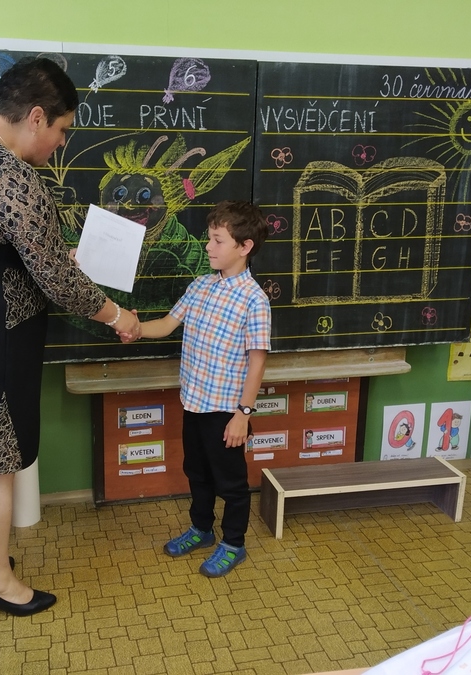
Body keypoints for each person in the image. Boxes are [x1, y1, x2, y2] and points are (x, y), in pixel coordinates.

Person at [0, 57, 140, 618]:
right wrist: (117, 316)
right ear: (36, 117)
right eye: (62, 130)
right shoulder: (8, 175)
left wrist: (51, 256)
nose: (61, 144)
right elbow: (58, 281)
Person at [121, 200, 271, 577]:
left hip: (226, 411)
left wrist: (243, 415)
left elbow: (257, 362)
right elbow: (167, 324)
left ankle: (233, 543)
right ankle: (201, 529)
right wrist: (136, 328)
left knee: (231, 483)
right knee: (197, 473)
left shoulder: (254, 299)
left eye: (218, 240)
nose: (208, 246)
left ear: (245, 246)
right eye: (209, 238)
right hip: (193, 402)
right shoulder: (201, 285)